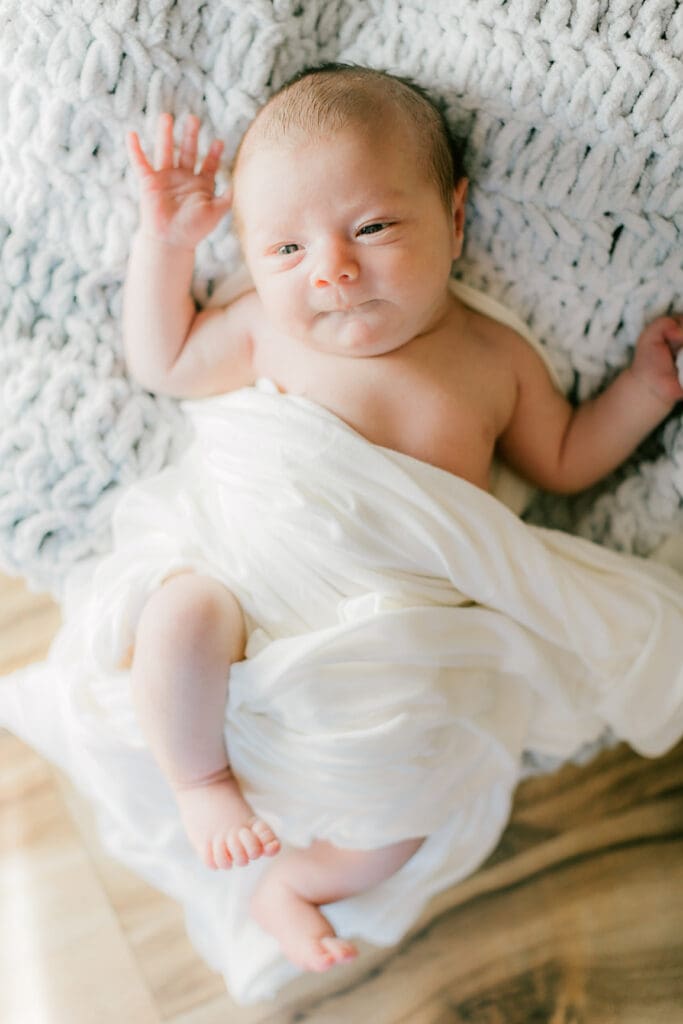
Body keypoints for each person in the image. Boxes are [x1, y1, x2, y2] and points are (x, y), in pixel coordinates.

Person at [123, 63, 683, 973]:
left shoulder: (492, 357)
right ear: (256, 263)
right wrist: (166, 246)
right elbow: (163, 359)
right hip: (253, 594)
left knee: (416, 803)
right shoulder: (261, 328)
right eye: (287, 252)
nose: (334, 270)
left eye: (373, 227)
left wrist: (643, 393)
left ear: (454, 219)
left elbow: (564, 461)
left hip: (393, 650)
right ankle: (199, 780)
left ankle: (299, 881)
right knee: (177, 616)